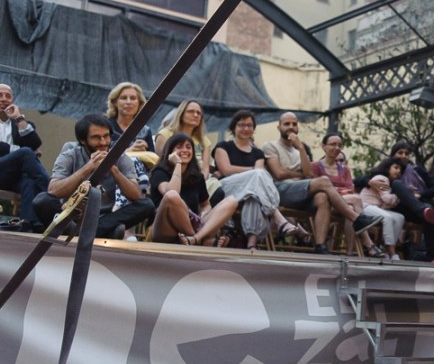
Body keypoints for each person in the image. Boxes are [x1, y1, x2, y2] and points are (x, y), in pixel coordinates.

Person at [261, 112, 382, 256]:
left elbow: (308, 175)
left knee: (322, 197)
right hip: (280, 191)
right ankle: (356, 218)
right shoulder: (270, 146)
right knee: (324, 181)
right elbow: (279, 174)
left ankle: (320, 246)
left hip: (300, 194)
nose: (291, 127)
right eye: (286, 124)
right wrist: (299, 174)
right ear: (279, 127)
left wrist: (300, 148)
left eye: (294, 124)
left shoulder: (300, 151)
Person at [32, 114, 155, 240]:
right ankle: (100, 232)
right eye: (96, 138)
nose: (103, 142)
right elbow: (53, 190)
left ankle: (82, 232)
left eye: (106, 136)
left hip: (103, 218)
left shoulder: (120, 157)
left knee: (147, 205)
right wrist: (88, 168)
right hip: (71, 214)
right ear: (83, 140)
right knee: (42, 200)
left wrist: (114, 170)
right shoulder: (70, 156)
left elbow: (136, 195)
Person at [214, 110, 308, 250]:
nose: (246, 128)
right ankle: (279, 218)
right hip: (227, 189)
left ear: (254, 129)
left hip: (249, 192)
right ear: (234, 127)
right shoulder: (223, 146)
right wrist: (252, 170)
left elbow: (258, 174)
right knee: (258, 176)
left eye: (249, 125)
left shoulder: (258, 153)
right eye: (241, 125)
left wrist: (253, 171)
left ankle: (251, 244)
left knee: (255, 196)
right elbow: (226, 170)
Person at [149, 133, 237, 247]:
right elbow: (172, 191)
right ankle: (202, 240)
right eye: (179, 146)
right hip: (165, 228)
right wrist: (178, 164)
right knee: (172, 196)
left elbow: (205, 205)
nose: (185, 150)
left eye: (188, 147)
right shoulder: (159, 172)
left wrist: (204, 212)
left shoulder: (197, 177)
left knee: (231, 201)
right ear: (170, 151)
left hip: (192, 226)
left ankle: (196, 238)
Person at [313, 133, 386, 258]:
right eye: (333, 144)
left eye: (339, 145)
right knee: (356, 199)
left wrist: (333, 189)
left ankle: (349, 253)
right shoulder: (315, 166)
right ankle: (368, 244)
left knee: (352, 208)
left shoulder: (345, 169)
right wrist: (335, 190)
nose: (337, 148)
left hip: (344, 205)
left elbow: (350, 189)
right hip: (324, 205)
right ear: (324, 146)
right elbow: (316, 187)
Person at [0, 83, 50, 233]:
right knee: (25, 153)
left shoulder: (20, 123)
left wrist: (18, 118)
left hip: (12, 176)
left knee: (29, 181)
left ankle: (30, 224)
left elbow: (35, 143)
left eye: (8, 96)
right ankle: (53, 192)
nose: (4, 99)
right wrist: (19, 151)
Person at [154, 100, 218, 195]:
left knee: (218, 190)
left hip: (198, 181)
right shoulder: (164, 134)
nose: (195, 115)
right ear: (181, 114)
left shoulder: (204, 140)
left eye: (199, 113)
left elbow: (205, 170)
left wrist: (200, 182)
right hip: (172, 178)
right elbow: (162, 163)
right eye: (190, 111)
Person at [359, 156, 408, 260]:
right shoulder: (382, 178)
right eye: (396, 167)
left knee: (400, 217)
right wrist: (402, 195)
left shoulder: (390, 181)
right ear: (387, 168)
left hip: (375, 208)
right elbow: (387, 199)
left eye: (400, 169)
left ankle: (387, 248)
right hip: (365, 206)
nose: (398, 171)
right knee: (387, 217)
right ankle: (392, 252)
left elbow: (386, 203)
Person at [106, 82, 157, 168]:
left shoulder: (145, 131)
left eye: (133, 98)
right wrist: (129, 151)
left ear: (139, 103)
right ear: (114, 102)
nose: (128, 102)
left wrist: (145, 153)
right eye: (123, 98)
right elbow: (98, 156)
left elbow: (154, 161)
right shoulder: (105, 127)